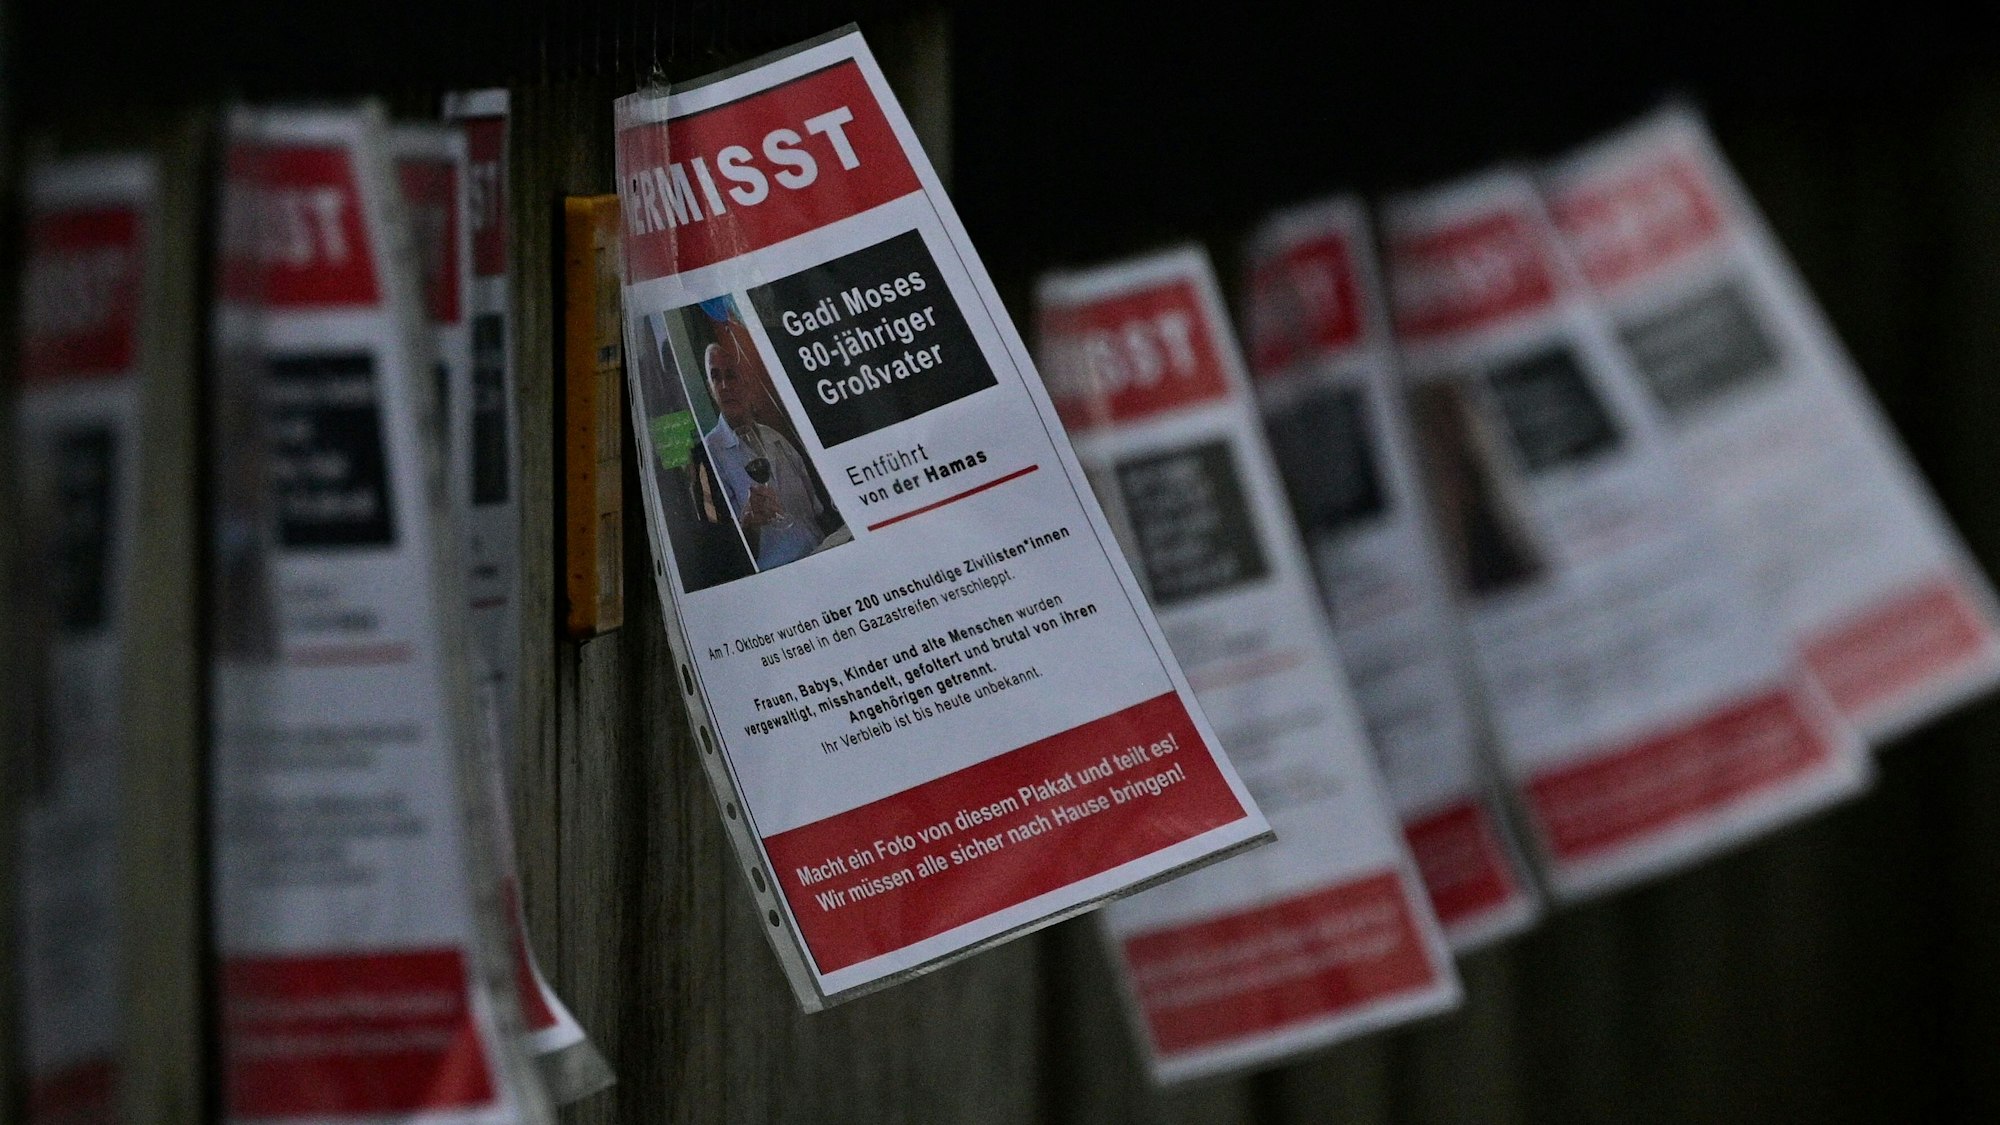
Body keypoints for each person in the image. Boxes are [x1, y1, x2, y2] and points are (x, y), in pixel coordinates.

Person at [700, 339, 828, 569]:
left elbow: (816, 509)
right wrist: (748, 523)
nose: (724, 386)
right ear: (710, 388)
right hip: (781, 572)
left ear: (747, 382)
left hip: (822, 551)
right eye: (716, 377)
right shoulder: (710, 453)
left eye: (731, 375)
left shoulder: (774, 437)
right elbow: (725, 555)